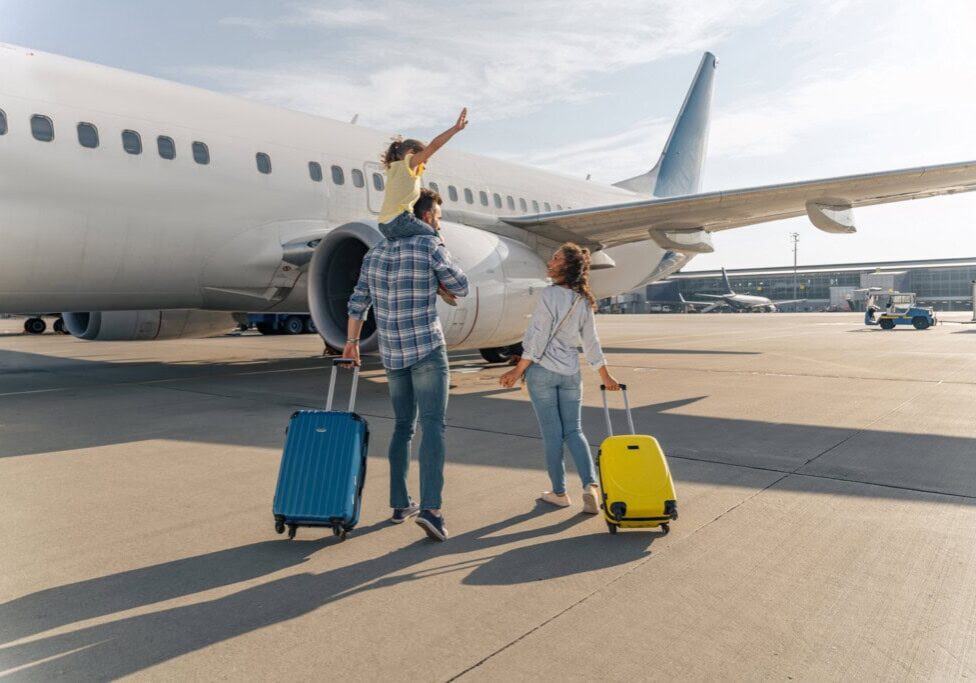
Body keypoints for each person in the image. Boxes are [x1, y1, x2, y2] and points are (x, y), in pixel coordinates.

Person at [344, 192, 469, 542]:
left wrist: (352, 345)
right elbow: (462, 285)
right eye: (438, 216)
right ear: (426, 216)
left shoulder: (375, 254)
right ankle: (432, 509)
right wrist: (440, 250)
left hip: (392, 355)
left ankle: (400, 503)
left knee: (402, 427)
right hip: (427, 349)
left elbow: (357, 305)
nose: (440, 222)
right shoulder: (429, 246)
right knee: (433, 427)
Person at [499, 243, 620, 514]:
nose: (549, 262)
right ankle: (591, 487)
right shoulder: (583, 299)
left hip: (542, 372)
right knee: (574, 431)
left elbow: (539, 335)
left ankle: (559, 493)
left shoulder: (549, 294)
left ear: (566, 266)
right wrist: (605, 375)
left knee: (552, 435)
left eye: (555, 259)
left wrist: (518, 369)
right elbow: (591, 342)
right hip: (570, 373)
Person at [377, 108, 467, 241]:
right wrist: (455, 129)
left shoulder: (394, 169)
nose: (424, 165)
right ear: (412, 153)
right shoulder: (409, 163)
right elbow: (434, 145)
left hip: (384, 224)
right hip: (400, 220)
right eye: (424, 160)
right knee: (436, 237)